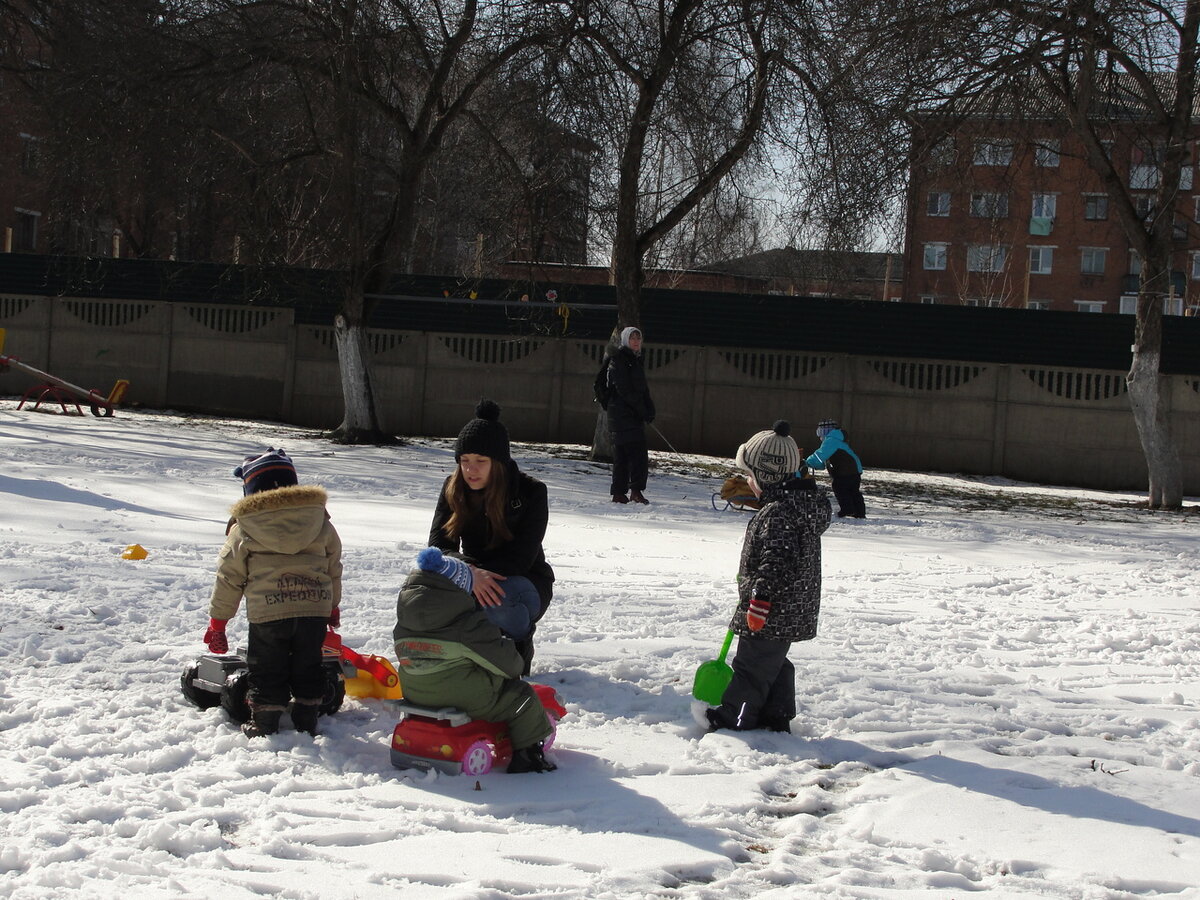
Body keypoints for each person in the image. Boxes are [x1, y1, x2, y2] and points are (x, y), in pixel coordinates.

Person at [204, 448, 343, 738]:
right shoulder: (320, 521)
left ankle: (265, 721)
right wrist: (332, 606)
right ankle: (307, 716)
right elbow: (333, 567)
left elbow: (229, 577)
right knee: (308, 662)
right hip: (313, 609)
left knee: (266, 665)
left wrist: (218, 621)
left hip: (269, 611)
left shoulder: (244, 528)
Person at [706, 421, 831, 733]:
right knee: (773, 664)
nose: (747, 481)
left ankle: (734, 718)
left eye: (749, 474)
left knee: (751, 667)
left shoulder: (778, 514)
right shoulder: (796, 506)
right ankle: (775, 715)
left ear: (766, 474)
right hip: (786, 610)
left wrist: (759, 602)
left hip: (770, 609)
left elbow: (776, 564)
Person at [394, 547, 557, 773]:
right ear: (459, 590)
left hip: (414, 692)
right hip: (462, 697)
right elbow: (509, 665)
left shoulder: (404, 621)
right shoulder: (467, 624)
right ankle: (528, 757)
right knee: (521, 697)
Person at [429, 399, 554, 675]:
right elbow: (438, 546)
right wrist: (469, 573)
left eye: (480, 462)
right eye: (464, 461)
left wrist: (476, 577)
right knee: (422, 588)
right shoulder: (453, 488)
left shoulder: (531, 492)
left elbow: (521, 557)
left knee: (495, 597)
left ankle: (518, 642)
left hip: (525, 581)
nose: (470, 470)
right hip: (472, 576)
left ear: (497, 462)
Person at [606, 326, 656, 504]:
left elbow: (642, 389)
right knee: (634, 455)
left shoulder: (635, 360)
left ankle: (621, 492)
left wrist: (649, 408)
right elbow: (623, 390)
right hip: (621, 415)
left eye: (638, 338)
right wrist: (641, 409)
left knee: (627, 455)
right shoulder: (618, 360)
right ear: (626, 340)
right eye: (632, 338)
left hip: (631, 415)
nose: (636, 341)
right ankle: (631, 491)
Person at [804, 419, 866, 518]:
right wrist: (815, 464)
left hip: (846, 471)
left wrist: (807, 462)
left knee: (840, 488)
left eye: (821, 432)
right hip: (853, 470)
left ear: (828, 431)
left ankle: (848, 509)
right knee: (853, 491)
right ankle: (859, 511)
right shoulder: (836, 440)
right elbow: (823, 461)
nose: (820, 436)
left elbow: (820, 455)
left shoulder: (831, 440)